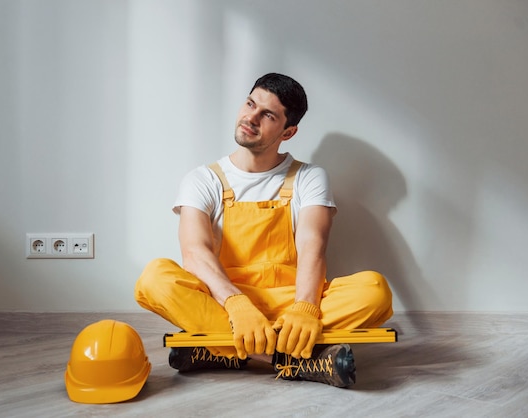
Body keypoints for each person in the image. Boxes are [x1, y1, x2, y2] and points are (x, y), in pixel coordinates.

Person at [135, 73, 393, 388]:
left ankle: (222, 349)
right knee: (154, 278)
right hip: (224, 303)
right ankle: (292, 359)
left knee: (375, 291)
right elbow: (194, 252)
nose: (251, 117)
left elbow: (313, 248)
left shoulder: (309, 178)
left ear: (289, 131)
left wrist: (305, 308)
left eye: (267, 115)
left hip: (290, 301)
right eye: (250, 104)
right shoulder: (203, 179)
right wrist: (237, 304)